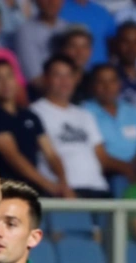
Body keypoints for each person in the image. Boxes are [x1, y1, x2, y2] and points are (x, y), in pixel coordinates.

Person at [30, 55, 112, 197]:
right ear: (45, 78)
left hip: (98, 187)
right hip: (64, 191)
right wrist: (62, 185)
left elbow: (102, 156)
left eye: (68, 75)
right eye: (58, 75)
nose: (64, 81)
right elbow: (49, 155)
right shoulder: (34, 112)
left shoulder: (85, 114)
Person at [0, 58, 63, 195]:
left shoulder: (30, 115)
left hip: (33, 187)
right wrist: (48, 185)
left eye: (9, 76)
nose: (5, 83)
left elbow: (51, 154)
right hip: (6, 189)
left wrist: (63, 183)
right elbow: (13, 157)